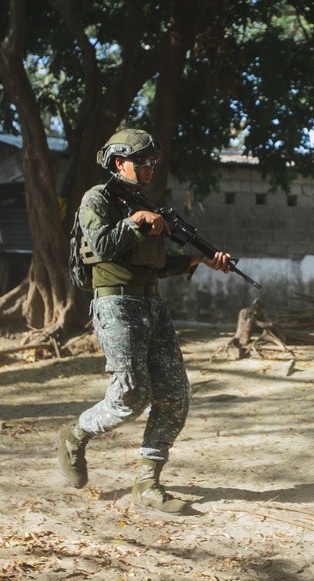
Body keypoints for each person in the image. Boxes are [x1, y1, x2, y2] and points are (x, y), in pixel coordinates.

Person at [55, 128, 231, 514]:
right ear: (120, 163)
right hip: (116, 306)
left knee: (175, 395)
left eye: (153, 162)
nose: (150, 168)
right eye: (142, 162)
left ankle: (147, 482)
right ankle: (74, 434)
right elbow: (101, 244)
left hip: (153, 306)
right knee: (131, 395)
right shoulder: (96, 199)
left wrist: (199, 260)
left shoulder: (141, 203)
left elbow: (153, 263)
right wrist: (138, 221)